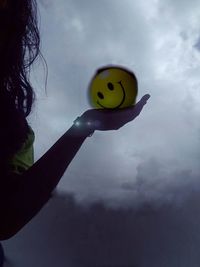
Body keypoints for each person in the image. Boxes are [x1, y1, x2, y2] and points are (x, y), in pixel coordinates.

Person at [0, 0, 150, 265]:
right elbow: (6, 217)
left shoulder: (14, 129)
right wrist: (84, 126)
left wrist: (85, 124)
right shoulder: (14, 129)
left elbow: (7, 213)